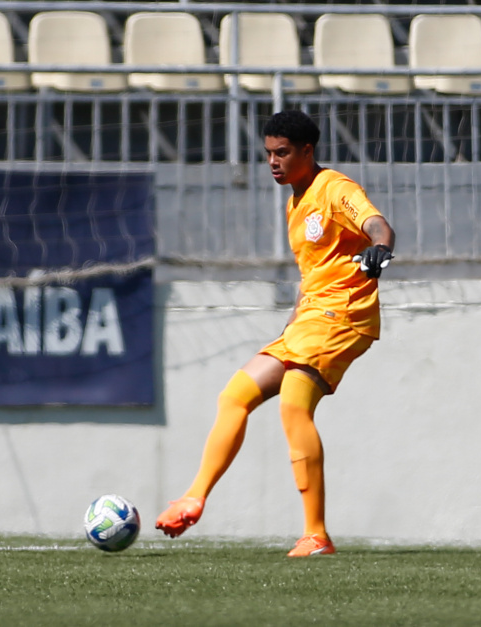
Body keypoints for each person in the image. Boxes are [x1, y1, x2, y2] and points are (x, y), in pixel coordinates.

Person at [155, 110, 396, 557]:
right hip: (308, 320)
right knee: (234, 396)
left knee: (292, 405)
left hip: (343, 316)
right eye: (268, 153)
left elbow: (375, 223)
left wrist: (380, 248)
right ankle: (194, 497)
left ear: (307, 151)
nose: (273, 162)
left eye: (282, 152)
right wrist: (291, 326)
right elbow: (314, 275)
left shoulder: (334, 189)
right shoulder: (295, 202)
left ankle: (316, 535)